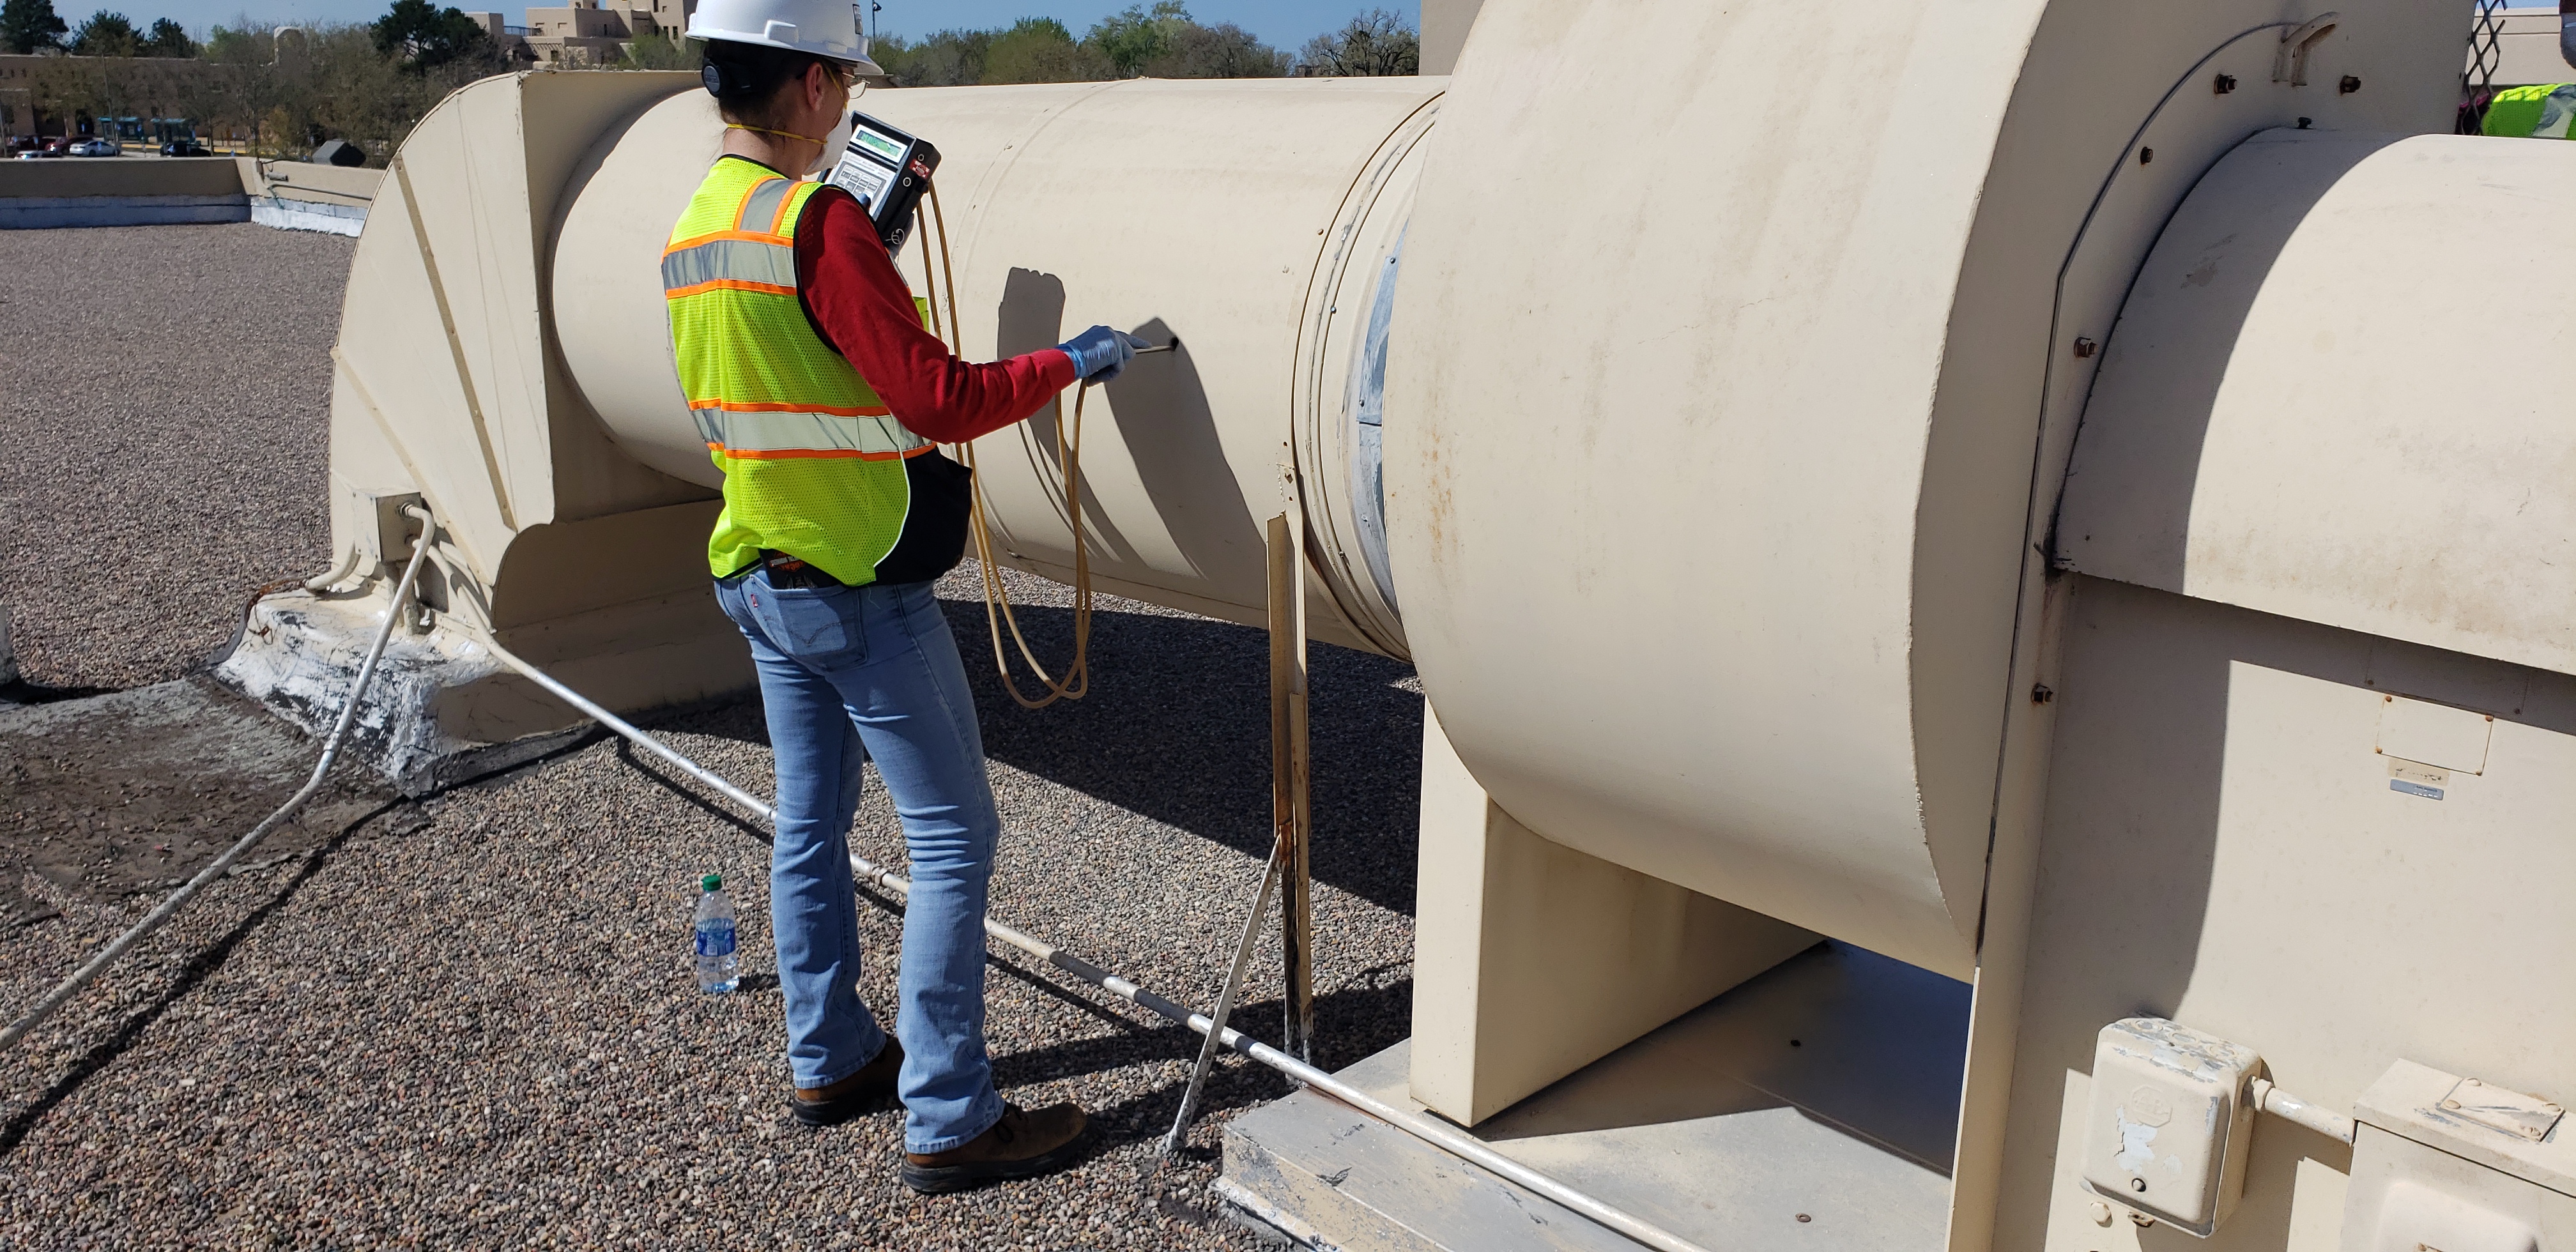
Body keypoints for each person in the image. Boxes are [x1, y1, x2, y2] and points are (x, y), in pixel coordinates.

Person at [669, 0, 1147, 1195]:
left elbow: (796, 375)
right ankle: (949, 1114)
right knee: (953, 841)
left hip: (760, 570)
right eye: (842, 80)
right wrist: (1067, 363)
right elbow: (935, 397)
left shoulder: (698, 223)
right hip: (857, 586)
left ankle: (829, 1056)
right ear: (821, 86)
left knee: (808, 825)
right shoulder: (820, 226)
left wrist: (862, 269)